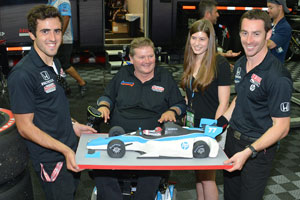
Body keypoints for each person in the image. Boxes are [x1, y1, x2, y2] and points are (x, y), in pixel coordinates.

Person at [7, 5, 96, 200]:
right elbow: (25, 128)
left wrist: (73, 125)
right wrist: (64, 150)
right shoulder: (22, 75)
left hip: (68, 150)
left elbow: (52, 106)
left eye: (57, 31)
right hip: (52, 160)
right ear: (32, 34)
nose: (53, 38)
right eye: (45, 31)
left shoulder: (54, 62)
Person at [94, 37, 186, 200]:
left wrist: (172, 110)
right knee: (101, 169)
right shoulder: (123, 74)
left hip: (152, 139)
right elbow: (107, 96)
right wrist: (104, 106)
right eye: (142, 57)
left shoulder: (164, 76)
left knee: (151, 171)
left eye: (150, 56)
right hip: (120, 135)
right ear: (131, 59)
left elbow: (180, 103)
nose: (147, 61)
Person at [220, 10, 293, 200]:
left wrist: (249, 152)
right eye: (245, 33)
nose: (249, 40)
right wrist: (220, 122)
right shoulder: (240, 64)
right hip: (233, 141)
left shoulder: (277, 76)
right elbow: (242, 97)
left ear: (269, 34)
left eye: (256, 33)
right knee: (230, 196)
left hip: (257, 150)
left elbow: (282, 127)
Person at [181, 19, 231, 200]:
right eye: (194, 38)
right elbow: (189, 95)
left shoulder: (220, 63)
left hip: (212, 129)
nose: (197, 43)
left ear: (210, 41)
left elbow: (223, 103)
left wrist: (213, 133)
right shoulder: (190, 59)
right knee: (199, 175)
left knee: (208, 177)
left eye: (202, 39)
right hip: (193, 127)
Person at [48, 0, 87, 96]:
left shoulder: (63, 1)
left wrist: (60, 34)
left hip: (64, 40)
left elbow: (66, 17)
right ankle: (63, 86)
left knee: (64, 64)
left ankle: (82, 83)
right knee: (54, 64)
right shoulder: (50, 2)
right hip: (53, 38)